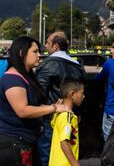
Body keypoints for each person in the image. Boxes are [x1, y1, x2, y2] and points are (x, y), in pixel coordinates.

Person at [0, 36, 68, 166]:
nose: (39, 55)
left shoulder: (25, 77)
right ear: (21, 53)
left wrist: (52, 107)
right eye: (35, 51)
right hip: (14, 144)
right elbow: (23, 110)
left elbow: (33, 105)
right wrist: (53, 108)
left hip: (26, 142)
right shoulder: (12, 79)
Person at [36, 31, 85, 166]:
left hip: (50, 117)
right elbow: (81, 92)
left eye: (47, 43)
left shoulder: (47, 64)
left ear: (56, 46)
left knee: (48, 155)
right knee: (69, 151)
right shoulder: (78, 65)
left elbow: (39, 93)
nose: (45, 46)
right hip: (71, 115)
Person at [49, 80, 85, 166]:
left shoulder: (59, 114)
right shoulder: (67, 117)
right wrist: (76, 164)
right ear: (72, 94)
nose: (83, 96)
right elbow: (64, 143)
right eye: (82, 93)